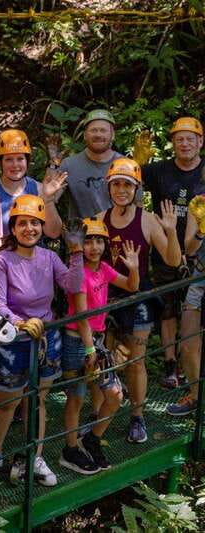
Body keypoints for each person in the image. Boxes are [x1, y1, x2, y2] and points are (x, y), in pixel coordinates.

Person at [0, 195, 85, 486]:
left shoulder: (49, 257)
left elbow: (73, 285)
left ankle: (36, 456)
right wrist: (22, 323)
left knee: (38, 399)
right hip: (14, 340)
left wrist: (76, 252)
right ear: (13, 228)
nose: (30, 229)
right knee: (7, 402)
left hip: (46, 338)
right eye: (22, 223)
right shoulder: (2, 260)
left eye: (35, 223)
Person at [96, 158, 180, 443]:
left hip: (139, 294)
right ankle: (100, 414)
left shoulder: (146, 219)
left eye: (127, 185)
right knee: (103, 359)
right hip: (108, 295)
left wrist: (169, 229)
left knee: (136, 361)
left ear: (136, 189)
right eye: (116, 184)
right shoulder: (99, 219)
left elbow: (172, 259)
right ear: (109, 187)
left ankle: (137, 416)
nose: (121, 190)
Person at [60, 219, 138, 474]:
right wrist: (89, 349)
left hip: (96, 341)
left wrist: (134, 268)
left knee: (115, 395)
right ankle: (70, 449)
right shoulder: (79, 273)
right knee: (76, 397)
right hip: (79, 341)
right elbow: (81, 315)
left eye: (99, 241)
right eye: (88, 241)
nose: (94, 247)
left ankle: (92, 439)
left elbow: (131, 286)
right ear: (79, 245)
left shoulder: (103, 269)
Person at [140, 117, 205, 388]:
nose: (185, 143)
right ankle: (170, 366)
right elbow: (127, 187)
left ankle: (193, 367)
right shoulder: (158, 171)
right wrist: (137, 161)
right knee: (168, 308)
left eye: (191, 138)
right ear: (173, 143)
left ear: (200, 142)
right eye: (180, 139)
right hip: (166, 245)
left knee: (193, 312)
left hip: (199, 252)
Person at [0, 129, 65, 238]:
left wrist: (47, 200)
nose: (15, 165)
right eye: (9, 159)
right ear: (0, 163)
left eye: (20, 159)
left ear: (27, 161)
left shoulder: (38, 189)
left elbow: (54, 233)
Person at [167, 195, 205, 416]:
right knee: (189, 345)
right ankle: (196, 398)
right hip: (198, 279)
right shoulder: (199, 203)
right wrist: (201, 229)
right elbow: (189, 249)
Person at [59, 109, 124, 219]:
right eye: (93, 130)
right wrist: (52, 164)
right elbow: (50, 197)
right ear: (85, 135)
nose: (98, 134)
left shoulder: (125, 165)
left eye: (103, 130)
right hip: (82, 233)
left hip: (119, 233)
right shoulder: (69, 165)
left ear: (112, 135)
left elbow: (137, 207)